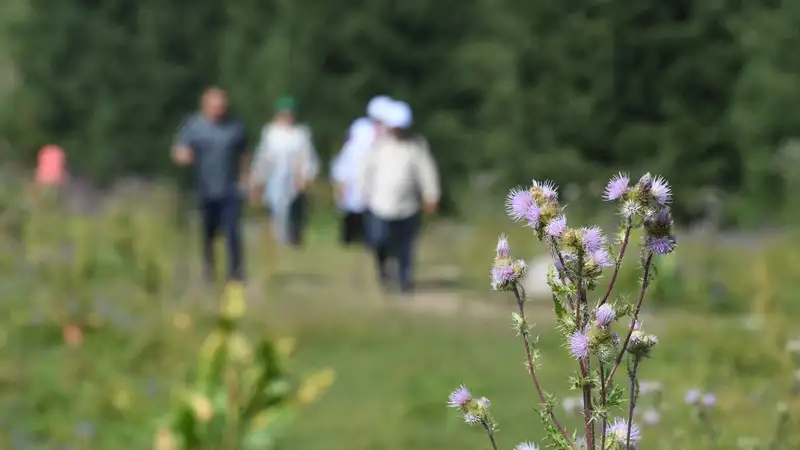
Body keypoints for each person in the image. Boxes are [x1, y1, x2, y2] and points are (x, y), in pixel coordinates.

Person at [359, 100, 440, 294]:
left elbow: (426, 172)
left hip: (408, 206)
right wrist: (365, 194)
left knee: (405, 247)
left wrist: (431, 195)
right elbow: (365, 171)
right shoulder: (378, 146)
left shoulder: (416, 147)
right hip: (380, 204)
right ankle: (383, 270)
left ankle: (405, 282)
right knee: (380, 240)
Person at [172, 86, 248, 282]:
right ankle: (209, 272)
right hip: (204, 189)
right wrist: (183, 156)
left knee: (233, 231)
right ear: (205, 106)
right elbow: (179, 149)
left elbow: (244, 153)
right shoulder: (193, 126)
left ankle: (236, 274)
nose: (219, 110)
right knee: (208, 234)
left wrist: (247, 178)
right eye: (215, 106)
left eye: (222, 106)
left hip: (230, 188)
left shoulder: (235, 126)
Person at [249, 95, 319, 247]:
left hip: (294, 176)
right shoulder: (269, 132)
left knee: (293, 210)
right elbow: (263, 156)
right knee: (276, 207)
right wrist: (257, 179)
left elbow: (307, 156)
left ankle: (292, 238)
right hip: (274, 176)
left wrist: (305, 175)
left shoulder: (301, 133)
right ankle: (279, 239)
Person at [331, 117, 377, 246]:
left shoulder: (371, 148)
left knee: (360, 214)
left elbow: (339, 170)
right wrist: (341, 187)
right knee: (352, 214)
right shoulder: (351, 149)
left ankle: (359, 238)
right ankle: (350, 238)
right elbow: (341, 169)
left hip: (363, 188)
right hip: (353, 187)